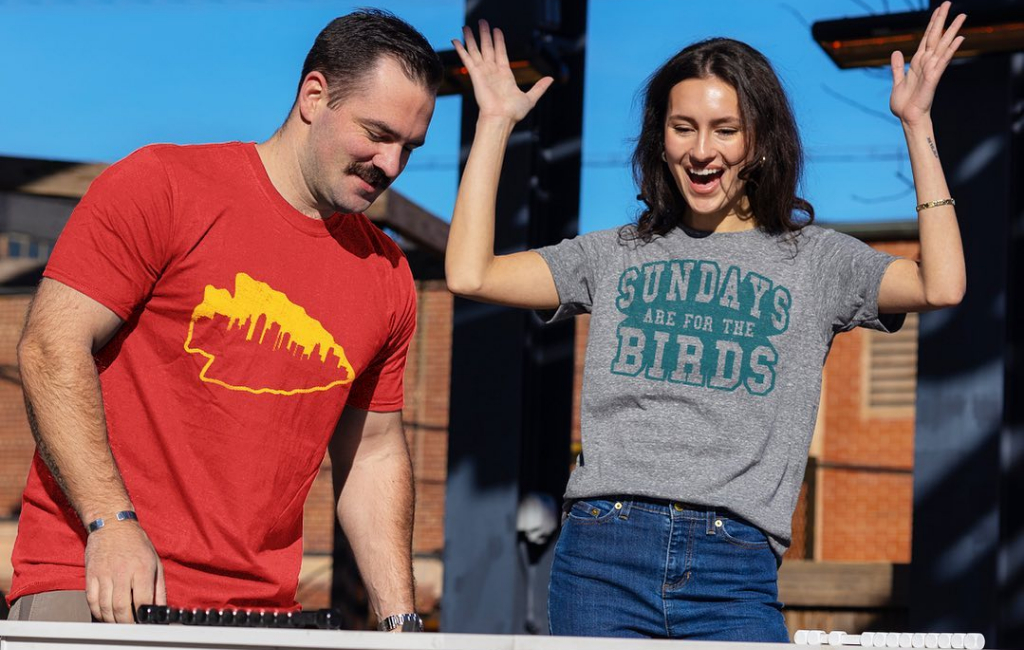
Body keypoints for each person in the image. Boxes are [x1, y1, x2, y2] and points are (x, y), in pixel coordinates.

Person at [446, 2, 965, 641]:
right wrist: (495, 122)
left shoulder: (818, 260)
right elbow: (470, 274)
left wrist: (917, 124)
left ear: (761, 141)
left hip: (735, 563)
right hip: (603, 553)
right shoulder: (613, 252)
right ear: (659, 139)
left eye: (725, 129)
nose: (701, 150)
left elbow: (942, 285)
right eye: (683, 127)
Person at [7, 9, 441, 629]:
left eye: (409, 148)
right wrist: (110, 522)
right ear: (314, 96)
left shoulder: (388, 273)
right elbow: (51, 347)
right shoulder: (163, 186)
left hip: (259, 614)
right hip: (101, 582)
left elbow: (371, 452)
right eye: (377, 133)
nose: (392, 164)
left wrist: (401, 622)